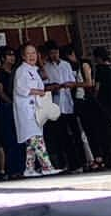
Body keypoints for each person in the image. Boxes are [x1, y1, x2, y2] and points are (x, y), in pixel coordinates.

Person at [13, 42, 61, 177]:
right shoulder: (21, 71)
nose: (31, 56)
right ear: (23, 56)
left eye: (34, 53)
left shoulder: (33, 70)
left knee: (31, 141)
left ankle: (29, 169)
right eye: (28, 53)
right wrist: (38, 92)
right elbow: (21, 89)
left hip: (35, 109)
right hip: (27, 111)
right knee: (36, 139)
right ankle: (47, 166)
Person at [42, 41, 84, 172]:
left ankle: (81, 162)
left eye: (56, 52)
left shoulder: (66, 65)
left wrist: (69, 84)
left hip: (69, 103)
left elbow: (73, 81)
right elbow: (44, 86)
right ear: (48, 54)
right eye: (52, 53)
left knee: (76, 134)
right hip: (55, 105)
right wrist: (54, 87)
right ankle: (67, 163)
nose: (54, 55)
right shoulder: (46, 67)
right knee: (61, 136)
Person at [62, 43, 104, 170]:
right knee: (86, 131)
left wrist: (73, 85)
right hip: (79, 101)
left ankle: (99, 158)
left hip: (87, 101)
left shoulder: (84, 64)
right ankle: (94, 158)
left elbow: (89, 83)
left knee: (93, 131)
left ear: (73, 54)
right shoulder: (74, 67)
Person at [0, 44, 23, 179]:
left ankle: (21, 167)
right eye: (9, 55)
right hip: (6, 108)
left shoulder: (16, 71)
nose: (12, 57)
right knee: (10, 139)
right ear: (2, 58)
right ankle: (11, 169)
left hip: (18, 107)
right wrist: (10, 102)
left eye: (13, 55)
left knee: (20, 138)